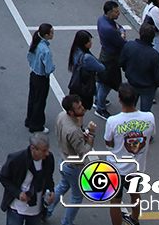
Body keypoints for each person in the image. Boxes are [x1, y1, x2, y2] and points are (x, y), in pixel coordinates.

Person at [103, 84, 156, 225]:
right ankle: (134, 219)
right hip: (136, 168)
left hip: (116, 168)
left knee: (115, 201)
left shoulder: (113, 121)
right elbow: (150, 135)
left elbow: (108, 142)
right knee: (135, 194)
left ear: (119, 99)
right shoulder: (149, 117)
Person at [52, 95, 98, 225]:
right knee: (77, 196)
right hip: (75, 167)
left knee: (62, 186)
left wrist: (80, 138)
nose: (83, 109)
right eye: (79, 108)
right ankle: (67, 222)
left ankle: (47, 210)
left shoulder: (62, 116)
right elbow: (84, 152)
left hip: (64, 160)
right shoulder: (73, 131)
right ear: (71, 112)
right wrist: (91, 134)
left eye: (81, 105)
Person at [0, 132, 56, 225]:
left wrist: (51, 190)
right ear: (33, 148)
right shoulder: (16, 159)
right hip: (17, 208)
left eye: (47, 149)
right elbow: (3, 177)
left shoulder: (48, 159)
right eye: (44, 150)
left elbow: (49, 178)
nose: (47, 153)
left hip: (36, 209)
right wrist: (18, 193)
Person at [119, 22, 159, 112]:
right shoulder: (154, 55)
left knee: (129, 109)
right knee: (145, 112)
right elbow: (158, 78)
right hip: (148, 87)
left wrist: (127, 71)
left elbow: (121, 62)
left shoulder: (129, 46)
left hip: (132, 82)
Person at [96, 1, 127, 116]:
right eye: (116, 12)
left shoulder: (102, 20)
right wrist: (122, 33)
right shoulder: (110, 29)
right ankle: (100, 108)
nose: (119, 14)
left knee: (101, 79)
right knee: (106, 83)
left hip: (105, 53)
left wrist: (120, 30)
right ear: (109, 13)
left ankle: (98, 100)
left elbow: (119, 26)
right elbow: (122, 41)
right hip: (112, 57)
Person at [65, 30, 106, 111]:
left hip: (75, 86)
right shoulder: (87, 58)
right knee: (82, 110)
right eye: (89, 41)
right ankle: (79, 124)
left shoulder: (75, 51)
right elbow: (101, 68)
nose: (91, 43)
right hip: (85, 88)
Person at [26, 24, 55, 134]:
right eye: (52, 33)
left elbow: (29, 57)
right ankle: (36, 125)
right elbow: (48, 69)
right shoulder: (46, 50)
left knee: (32, 98)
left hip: (33, 74)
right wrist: (53, 67)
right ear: (47, 35)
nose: (53, 34)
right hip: (42, 78)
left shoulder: (35, 44)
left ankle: (29, 119)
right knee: (40, 101)